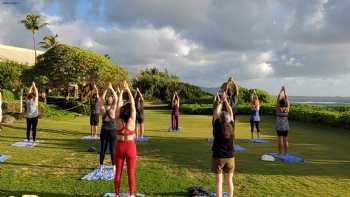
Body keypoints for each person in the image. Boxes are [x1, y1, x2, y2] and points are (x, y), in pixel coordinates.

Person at [114, 81, 137, 197]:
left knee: (118, 172)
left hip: (119, 146)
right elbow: (132, 104)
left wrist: (121, 91)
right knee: (131, 173)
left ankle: (117, 195)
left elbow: (118, 104)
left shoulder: (117, 119)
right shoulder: (132, 119)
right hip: (130, 147)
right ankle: (131, 195)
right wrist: (128, 90)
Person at [212, 92, 235, 197]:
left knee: (219, 181)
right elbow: (230, 112)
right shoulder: (231, 126)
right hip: (230, 157)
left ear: (220, 119)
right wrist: (226, 101)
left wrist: (221, 101)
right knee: (229, 180)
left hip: (218, 157)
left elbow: (216, 112)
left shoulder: (217, 126)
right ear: (229, 119)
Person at [99, 82, 118, 172]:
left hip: (105, 130)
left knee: (103, 148)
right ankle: (113, 166)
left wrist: (107, 89)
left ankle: (102, 166)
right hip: (112, 131)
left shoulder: (103, 108)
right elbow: (116, 98)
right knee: (112, 149)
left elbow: (101, 98)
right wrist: (112, 89)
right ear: (111, 100)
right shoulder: (113, 107)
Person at [276, 86, 290, 155]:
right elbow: (287, 98)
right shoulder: (287, 109)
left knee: (280, 140)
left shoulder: (278, 109)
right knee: (285, 140)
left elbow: (277, 98)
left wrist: (281, 91)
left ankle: (280, 152)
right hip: (286, 127)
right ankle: (286, 153)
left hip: (279, 127)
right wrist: (284, 90)